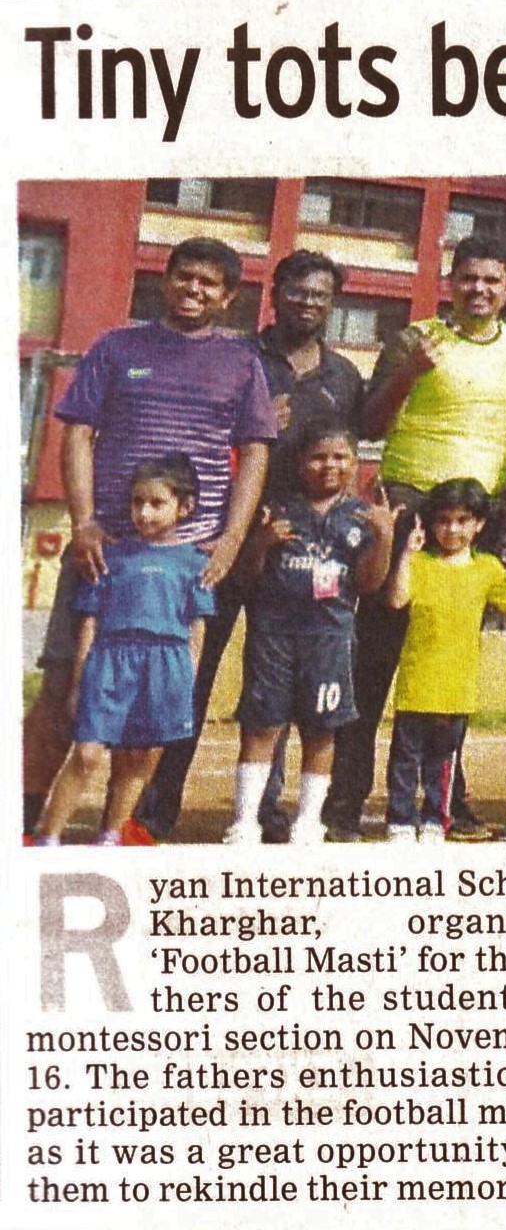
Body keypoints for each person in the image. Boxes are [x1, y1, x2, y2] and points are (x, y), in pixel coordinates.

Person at [28, 236, 275, 842]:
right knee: (65, 683)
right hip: (104, 551)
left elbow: (255, 454)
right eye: (184, 277)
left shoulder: (241, 363)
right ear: (164, 280)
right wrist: (84, 518)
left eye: (208, 283)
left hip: (187, 560)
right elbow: (78, 433)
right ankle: (30, 820)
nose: (193, 289)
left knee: (160, 699)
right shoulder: (118, 346)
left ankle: (118, 827)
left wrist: (232, 538)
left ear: (229, 296)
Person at [138, 248, 366, 843]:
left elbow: (346, 455)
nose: (307, 303)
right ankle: (155, 807)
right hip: (227, 537)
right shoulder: (238, 356)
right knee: (192, 674)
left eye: (319, 295)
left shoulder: (343, 375)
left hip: (299, 551)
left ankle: (263, 811)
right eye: (296, 292)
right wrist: (261, 421)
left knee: (283, 683)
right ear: (274, 296)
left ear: (332, 304)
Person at [335, 233, 506, 842]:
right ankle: (344, 803)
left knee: (450, 667)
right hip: (413, 507)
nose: (479, 289)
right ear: (451, 283)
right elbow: (370, 423)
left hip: (480, 515)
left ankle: (446, 802)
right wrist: (411, 373)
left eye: (491, 280)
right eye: (468, 278)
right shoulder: (414, 337)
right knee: (376, 660)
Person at [222, 426, 397, 845]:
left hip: (330, 639)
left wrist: (386, 536)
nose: (330, 466)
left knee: (321, 731)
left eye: (340, 457)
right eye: (319, 457)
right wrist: (262, 542)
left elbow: (370, 584)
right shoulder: (279, 510)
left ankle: (308, 820)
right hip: (273, 635)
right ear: (301, 464)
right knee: (262, 726)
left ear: (356, 463)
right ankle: (245, 821)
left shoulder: (361, 517)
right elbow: (246, 576)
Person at [32, 457, 213, 846]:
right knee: (87, 754)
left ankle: (111, 834)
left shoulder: (194, 561)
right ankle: (47, 837)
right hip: (111, 661)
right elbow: (90, 621)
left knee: (139, 757)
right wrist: (81, 679)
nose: (144, 513)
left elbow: (197, 627)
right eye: (137, 502)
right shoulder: (111, 556)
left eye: (156, 503)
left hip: (166, 665)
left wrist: (187, 680)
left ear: (185, 507)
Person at [381, 477, 506, 843]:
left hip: (457, 685)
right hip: (416, 681)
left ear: (479, 524)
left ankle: (437, 818)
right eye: (443, 520)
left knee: (442, 760)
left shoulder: (486, 569)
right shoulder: (420, 563)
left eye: (462, 520)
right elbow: (395, 600)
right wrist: (406, 555)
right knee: (405, 757)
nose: (452, 529)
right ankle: (401, 820)